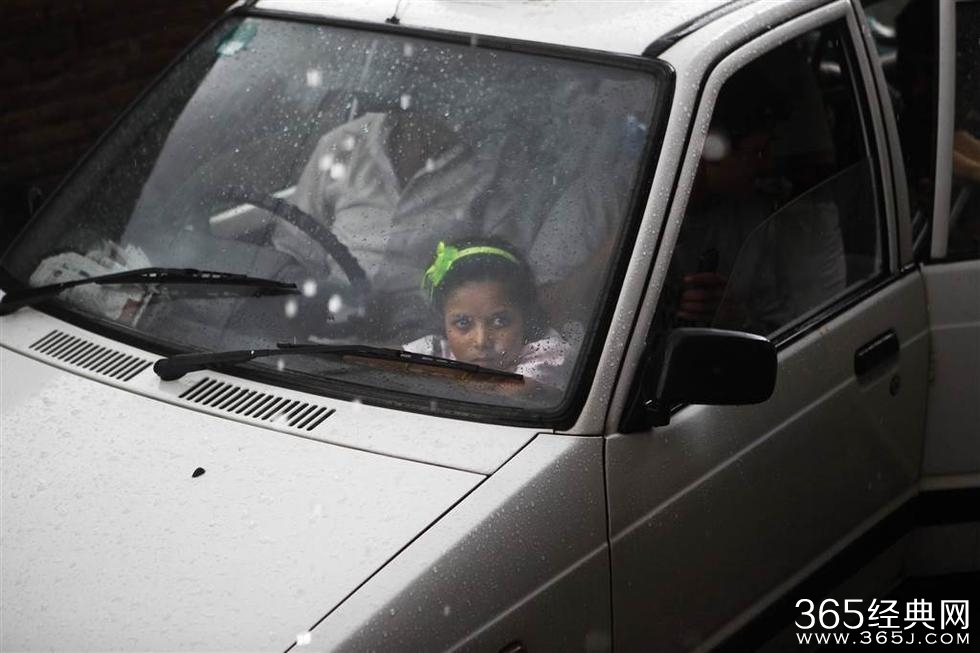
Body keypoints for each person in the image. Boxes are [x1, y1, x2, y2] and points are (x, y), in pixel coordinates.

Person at [403, 239, 570, 389]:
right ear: (443, 321)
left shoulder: (548, 354)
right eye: (463, 323)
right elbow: (391, 367)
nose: (481, 341)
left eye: (499, 321)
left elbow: (515, 393)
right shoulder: (436, 348)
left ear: (525, 316)